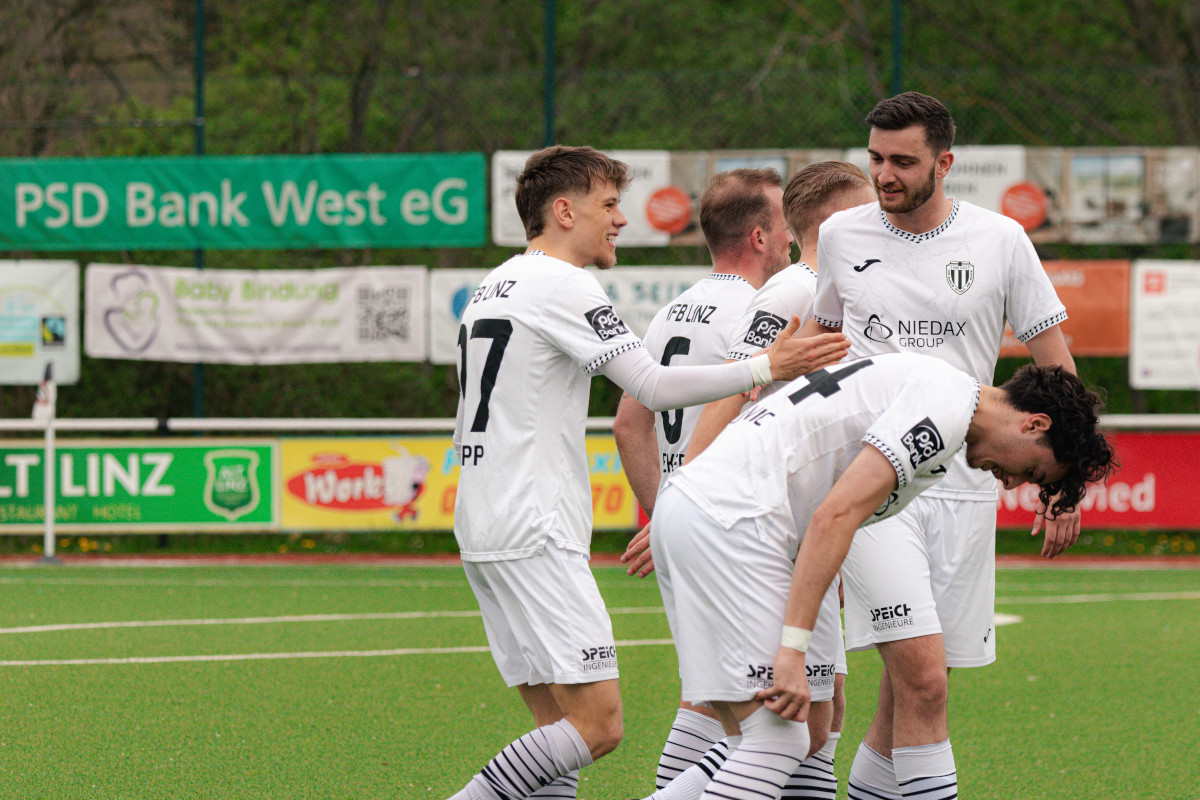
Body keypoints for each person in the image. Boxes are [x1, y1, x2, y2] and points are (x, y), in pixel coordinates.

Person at [447, 145, 847, 800]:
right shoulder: (563, 283)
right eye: (608, 205)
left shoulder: (495, 283)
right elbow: (652, 387)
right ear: (564, 211)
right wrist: (765, 366)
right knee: (597, 726)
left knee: (558, 735)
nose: (620, 220)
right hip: (535, 521)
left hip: (484, 519)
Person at [649, 354, 1115, 800]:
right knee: (777, 741)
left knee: (765, 740)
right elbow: (833, 516)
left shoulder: (941, 394)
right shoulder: (944, 409)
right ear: (1035, 424)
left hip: (705, 510)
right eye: (1032, 470)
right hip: (733, 521)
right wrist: (792, 647)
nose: (1011, 482)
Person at [799, 92, 1079, 799]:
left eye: (902, 161)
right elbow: (817, 348)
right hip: (874, 486)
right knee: (923, 680)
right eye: (875, 159)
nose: (884, 174)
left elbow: (1056, 370)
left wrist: (1066, 481)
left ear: (944, 163)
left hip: (966, 487)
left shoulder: (1001, 239)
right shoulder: (841, 235)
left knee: (911, 690)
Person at [618, 160, 875, 800]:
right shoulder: (784, 296)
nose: (788, 236)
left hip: (702, 513)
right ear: (761, 236)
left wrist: (666, 508)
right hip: (748, 522)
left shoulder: (673, 310)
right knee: (786, 718)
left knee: (757, 708)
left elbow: (629, 423)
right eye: (782, 226)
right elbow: (743, 397)